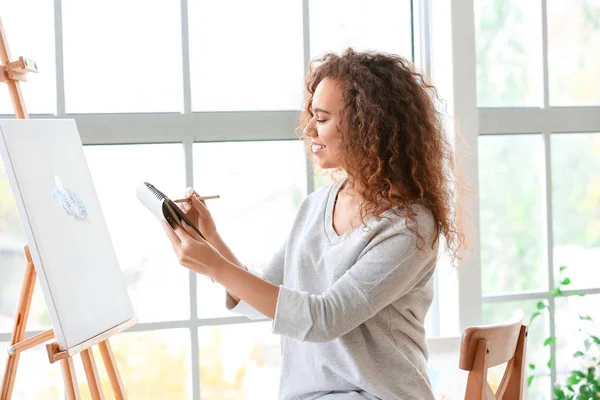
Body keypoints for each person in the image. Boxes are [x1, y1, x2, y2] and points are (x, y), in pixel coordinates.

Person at [162, 48, 464, 400]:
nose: (308, 129)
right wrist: (211, 242)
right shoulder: (317, 205)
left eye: (321, 118)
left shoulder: (410, 228)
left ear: (369, 126)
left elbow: (324, 319)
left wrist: (215, 264)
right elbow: (263, 295)